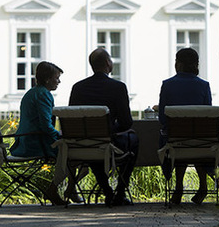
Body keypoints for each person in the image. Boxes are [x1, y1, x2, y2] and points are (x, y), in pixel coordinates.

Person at [69, 48, 139, 206]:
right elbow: (127, 122)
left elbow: (73, 118)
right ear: (108, 63)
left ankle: (107, 191)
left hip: (83, 144)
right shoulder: (118, 87)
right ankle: (120, 192)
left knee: (94, 144)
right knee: (133, 140)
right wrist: (111, 130)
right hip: (109, 142)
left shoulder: (78, 87)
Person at [158, 47, 213, 205]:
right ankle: (203, 186)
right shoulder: (204, 86)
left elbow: (163, 118)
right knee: (195, 137)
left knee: (178, 138)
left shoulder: (167, 85)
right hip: (201, 143)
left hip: (176, 142)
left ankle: (178, 187)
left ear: (178, 64)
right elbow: (207, 115)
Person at [10, 60, 68, 206]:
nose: (59, 81)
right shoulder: (44, 95)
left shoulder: (32, 93)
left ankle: (66, 190)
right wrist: (60, 135)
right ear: (48, 79)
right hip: (36, 144)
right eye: (56, 78)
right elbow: (45, 125)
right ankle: (59, 190)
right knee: (71, 152)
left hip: (25, 142)